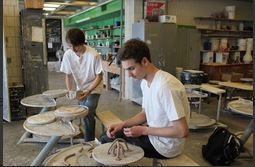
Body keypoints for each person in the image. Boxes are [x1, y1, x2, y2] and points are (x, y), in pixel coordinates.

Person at [100, 38, 190, 159]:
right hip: (155, 135)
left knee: (107, 139)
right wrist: (122, 124)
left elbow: (181, 131)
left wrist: (144, 131)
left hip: (165, 146)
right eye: (127, 70)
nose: (129, 75)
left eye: (131, 68)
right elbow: (146, 114)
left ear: (144, 61)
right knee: (113, 133)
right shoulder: (145, 82)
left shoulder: (166, 87)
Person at [60, 28, 103, 142]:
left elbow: (99, 76)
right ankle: (81, 132)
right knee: (80, 112)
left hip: (94, 88)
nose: (73, 49)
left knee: (87, 111)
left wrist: (88, 91)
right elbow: (68, 75)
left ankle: (89, 142)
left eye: (76, 46)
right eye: (70, 46)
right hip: (80, 89)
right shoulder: (68, 54)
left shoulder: (93, 55)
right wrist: (70, 91)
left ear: (82, 42)